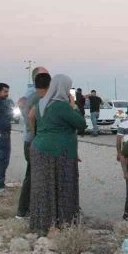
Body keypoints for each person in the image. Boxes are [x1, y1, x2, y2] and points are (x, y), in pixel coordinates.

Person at [29, 74, 88, 233]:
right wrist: (74, 106)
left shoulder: (42, 103)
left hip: (40, 150)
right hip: (58, 154)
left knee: (45, 189)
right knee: (63, 188)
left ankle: (43, 225)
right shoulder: (61, 106)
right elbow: (81, 124)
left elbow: (32, 119)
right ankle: (63, 224)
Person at [18, 70, 50, 219]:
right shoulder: (38, 97)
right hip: (34, 141)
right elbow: (29, 117)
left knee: (31, 176)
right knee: (33, 177)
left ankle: (26, 210)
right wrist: (38, 134)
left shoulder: (30, 96)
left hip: (30, 140)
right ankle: (26, 211)